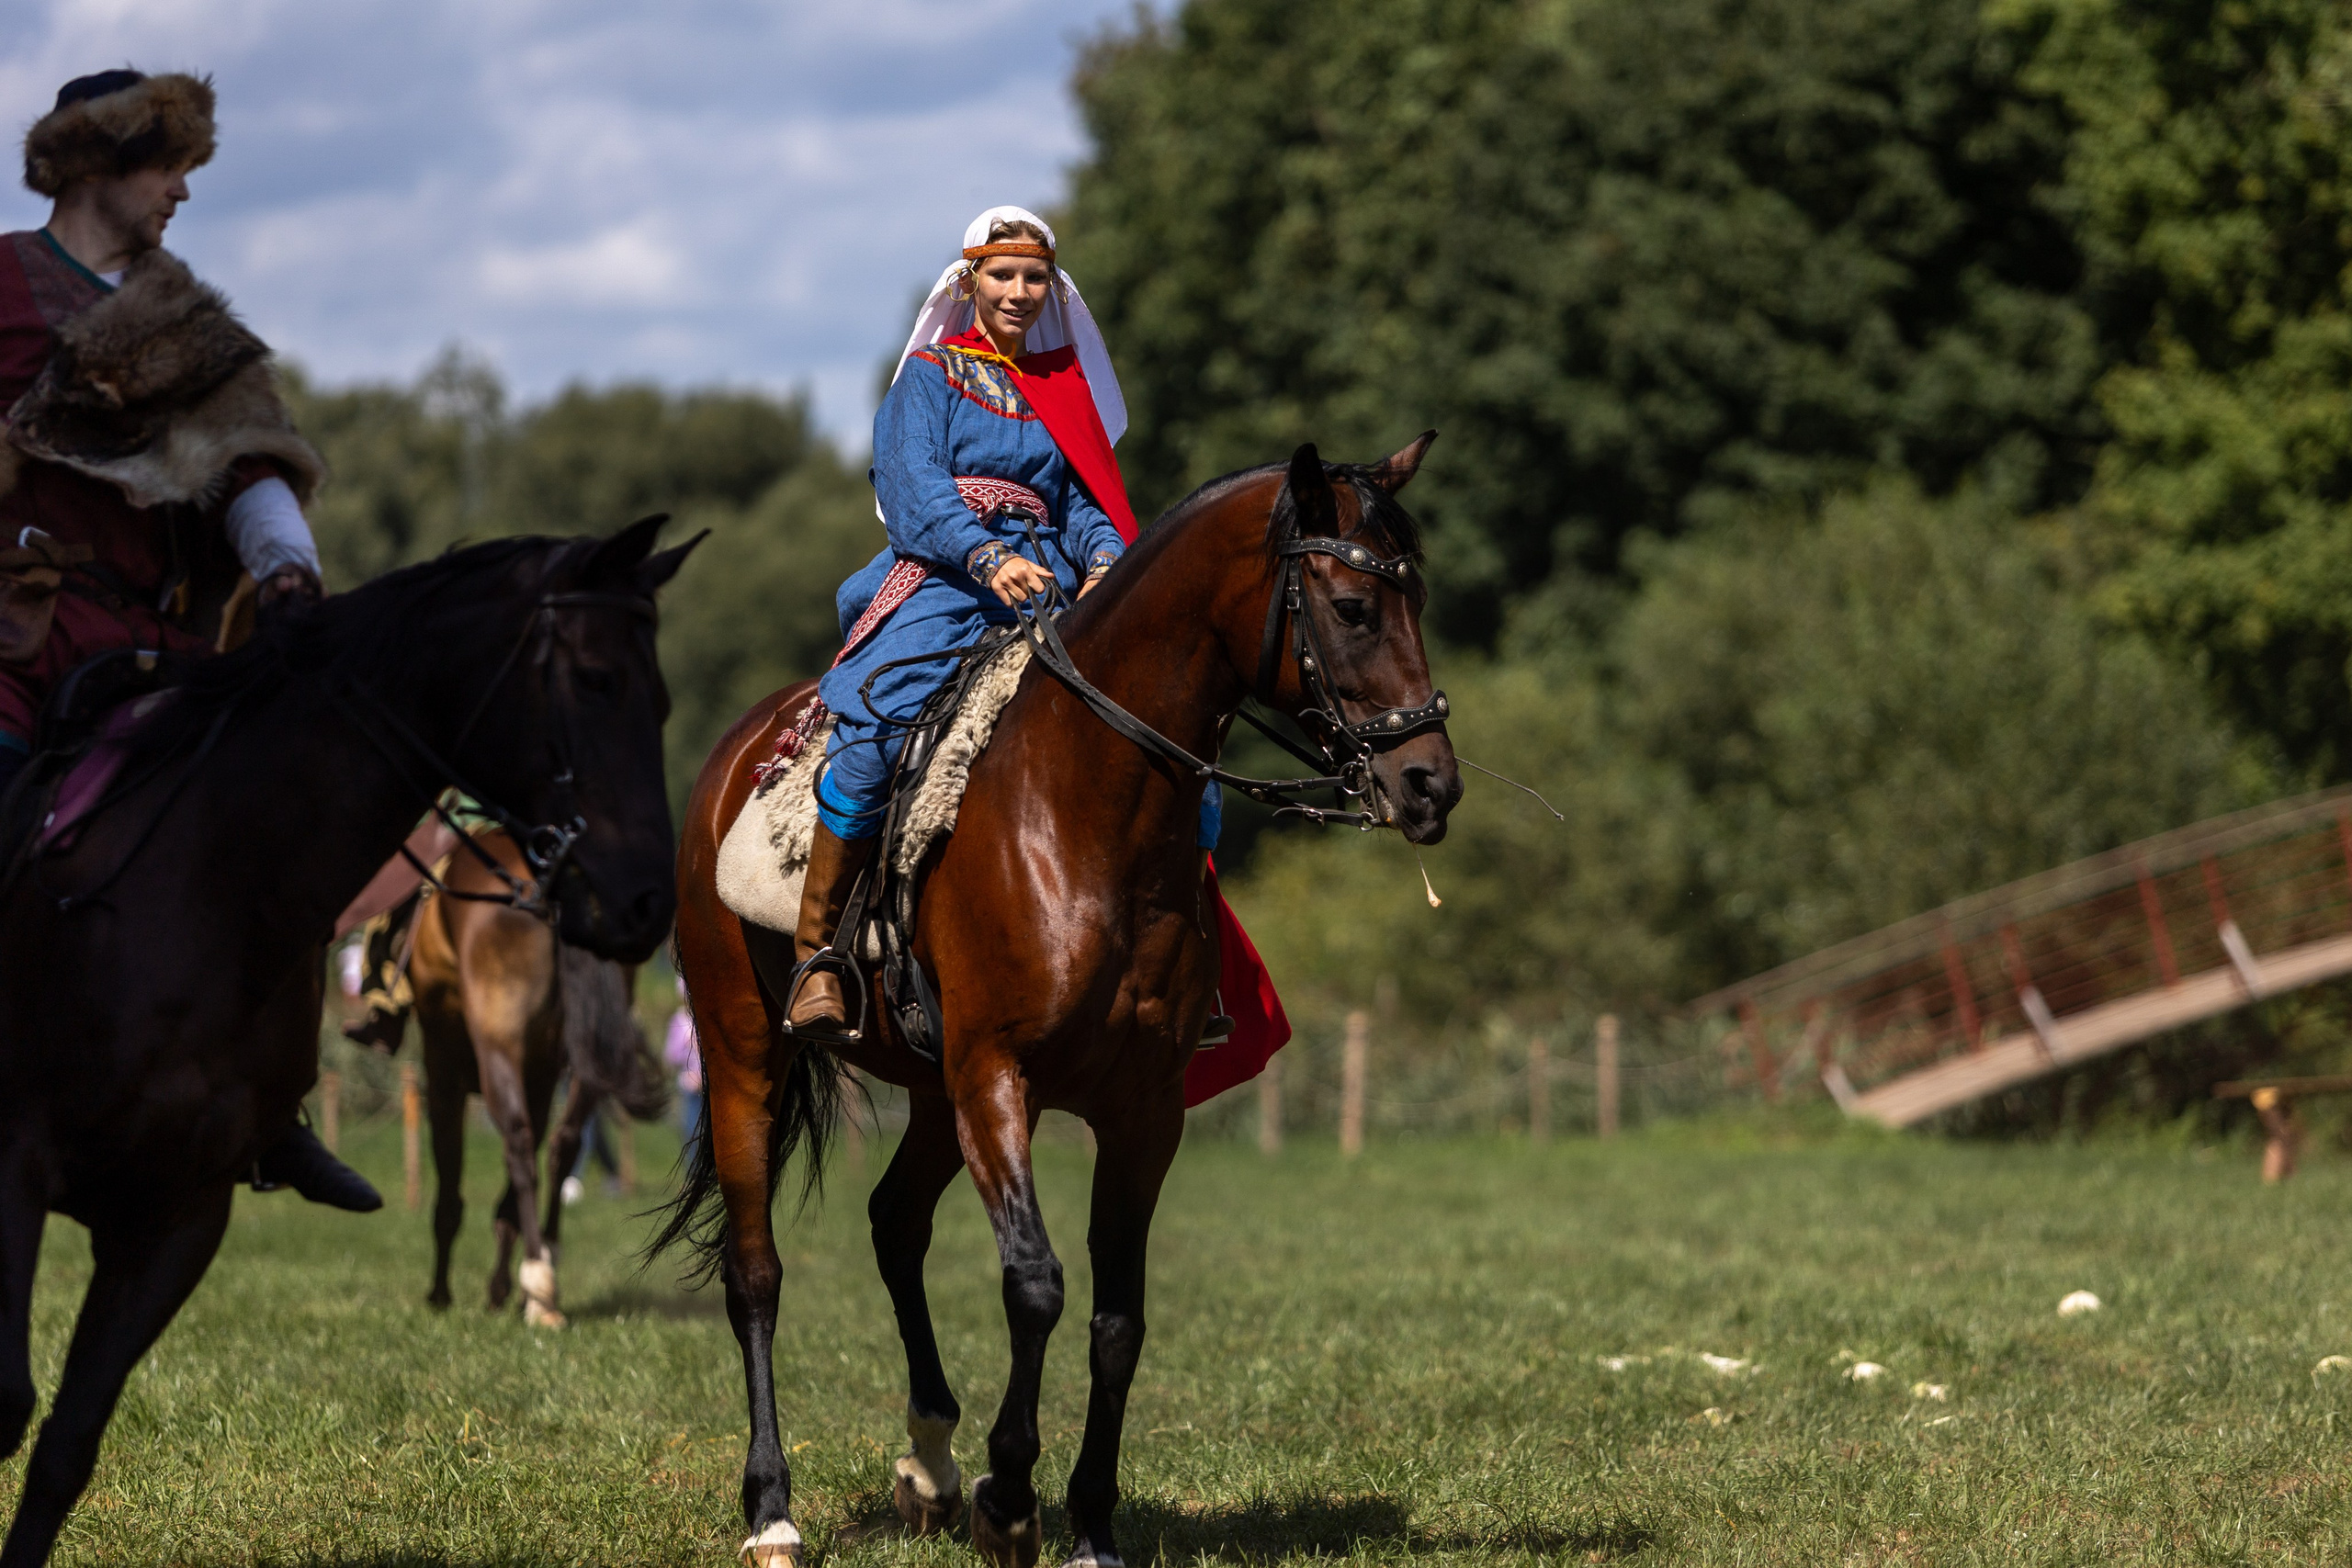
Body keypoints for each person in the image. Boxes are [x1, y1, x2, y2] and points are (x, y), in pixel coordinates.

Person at [1, 70, 377, 1212]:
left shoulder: (190, 323)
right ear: (98, 163)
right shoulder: (2, 284)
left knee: (274, 824)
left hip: (154, 646)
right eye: (168, 168)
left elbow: (250, 462)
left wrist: (287, 568)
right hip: (13, 639)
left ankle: (268, 1104)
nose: (180, 194)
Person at [786, 205, 1231, 1042]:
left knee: (1176, 744)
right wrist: (986, 556)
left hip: (1058, 586)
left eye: (1034, 278)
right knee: (879, 724)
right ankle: (819, 957)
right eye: (1002, 275)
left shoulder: (1064, 392)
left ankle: (1186, 964)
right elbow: (913, 487)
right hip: (947, 578)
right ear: (969, 283)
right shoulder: (928, 376)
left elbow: (1085, 503)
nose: (1019, 291)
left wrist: (1105, 561)